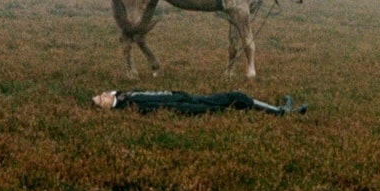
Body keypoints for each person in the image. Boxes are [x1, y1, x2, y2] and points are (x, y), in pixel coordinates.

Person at [92, 89, 307, 116]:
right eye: (102, 99)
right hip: (186, 107)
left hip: (188, 98)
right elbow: (160, 105)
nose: (103, 95)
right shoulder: (129, 106)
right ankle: (281, 113)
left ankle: (278, 110)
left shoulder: (125, 96)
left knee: (236, 96)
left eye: (102, 94)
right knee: (227, 108)